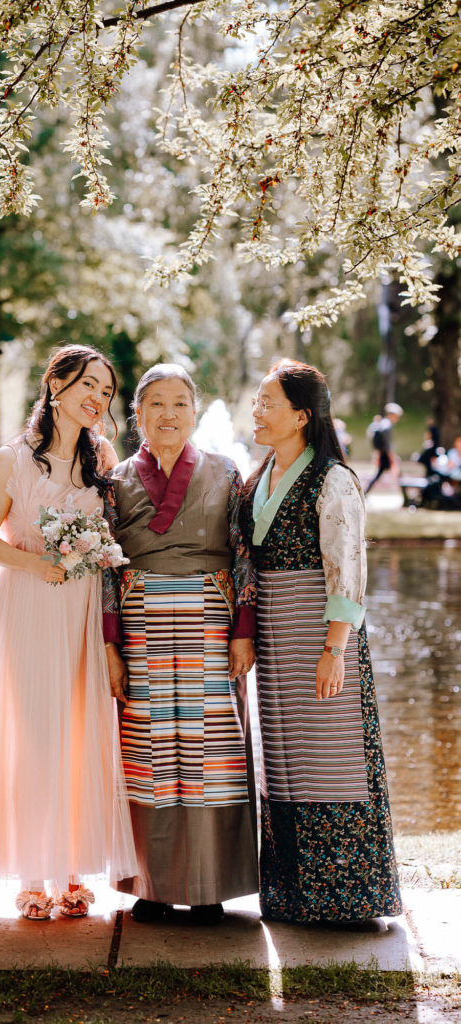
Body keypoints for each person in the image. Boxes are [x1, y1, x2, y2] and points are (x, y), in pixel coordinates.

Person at [0, 345, 137, 920]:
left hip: (86, 607)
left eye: (107, 392)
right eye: (88, 385)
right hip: (28, 602)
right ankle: (32, 875)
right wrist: (35, 563)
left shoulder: (105, 457)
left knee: (81, 730)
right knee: (36, 734)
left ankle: (72, 870)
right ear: (56, 386)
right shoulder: (10, 460)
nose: (97, 399)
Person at [240, 359, 402, 924]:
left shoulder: (333, 478)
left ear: (302, 416)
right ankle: (293, 895)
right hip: (276, 640)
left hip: (319, 637)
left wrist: (334, 649)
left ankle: (350, 898)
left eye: (267, 402)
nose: (256, 411)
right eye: (257, 401)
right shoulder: (260, 477)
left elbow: (347, 571)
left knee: (333, 759)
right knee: (284, 762)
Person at [104, 364, 258, 926]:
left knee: (210, 746)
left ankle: (208, 883)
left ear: (195, 412)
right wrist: (110, 644)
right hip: (141, 620)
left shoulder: (225, 471)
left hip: (210, 620)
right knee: (148, 748)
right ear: (138, 414)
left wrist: (244, 630)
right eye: (156, 405)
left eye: (180, 404)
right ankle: (152, 883)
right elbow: (104, 569)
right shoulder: (116, 480)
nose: (168, 415)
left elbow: (243, 556)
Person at [364, 402, 403, 494]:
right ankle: (366, 492)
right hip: (385, 455)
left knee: (381, 474)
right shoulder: (387, 425)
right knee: (396, 473)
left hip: (383, 454)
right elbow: (387, 443)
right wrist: (392, 456)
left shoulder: (382, 424)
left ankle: (366, 492)